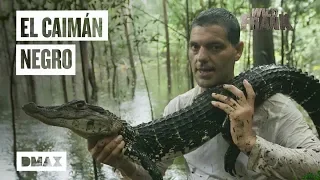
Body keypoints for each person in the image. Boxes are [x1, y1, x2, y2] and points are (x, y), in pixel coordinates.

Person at [88, 8, 320, 179]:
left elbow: (316, 165)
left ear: (237, 50)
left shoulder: (273, 106)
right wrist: (122, 162)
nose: (201, 57)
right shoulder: (179, 106)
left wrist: (250, 143)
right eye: (194, 46)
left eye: (215, 47)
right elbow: (153, 175)